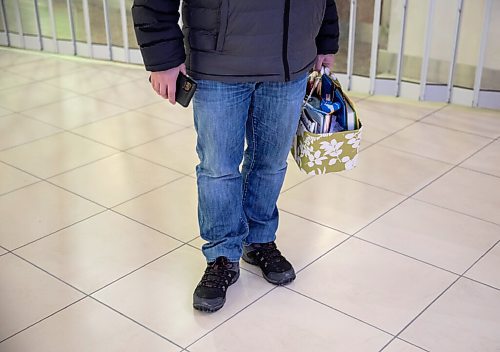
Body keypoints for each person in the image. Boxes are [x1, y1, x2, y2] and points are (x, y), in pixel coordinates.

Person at [132, 0, 339, 312]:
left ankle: (258, 240)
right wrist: (162, 61)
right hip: (218, 65)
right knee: (218, 169)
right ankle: (221, 256)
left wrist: (325, 40)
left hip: (290, 62)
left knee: (271, 163)